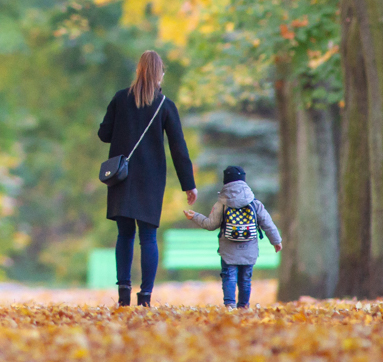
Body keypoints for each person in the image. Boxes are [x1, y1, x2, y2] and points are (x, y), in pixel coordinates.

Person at [98, 50, 197, 307]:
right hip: (151, 181)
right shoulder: (165, 106)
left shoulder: (120, 99)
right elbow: (178, 148)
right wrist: (189, 185)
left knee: (125, 235)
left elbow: (103, 134)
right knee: (148, 238)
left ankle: (123, 293)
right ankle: (145, 296)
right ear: (159, 74)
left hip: (122, 177)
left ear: (138, 72)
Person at [183, 165, 282, 308]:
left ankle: (229, 305)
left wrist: (195, 216)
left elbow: (210, 225)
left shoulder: (221, 205)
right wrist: (276, 241)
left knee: (229, 276)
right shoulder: (255, 204)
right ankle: (244, 306)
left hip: (228, 250)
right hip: (249, 249)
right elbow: (268, 224)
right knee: (245, 279)